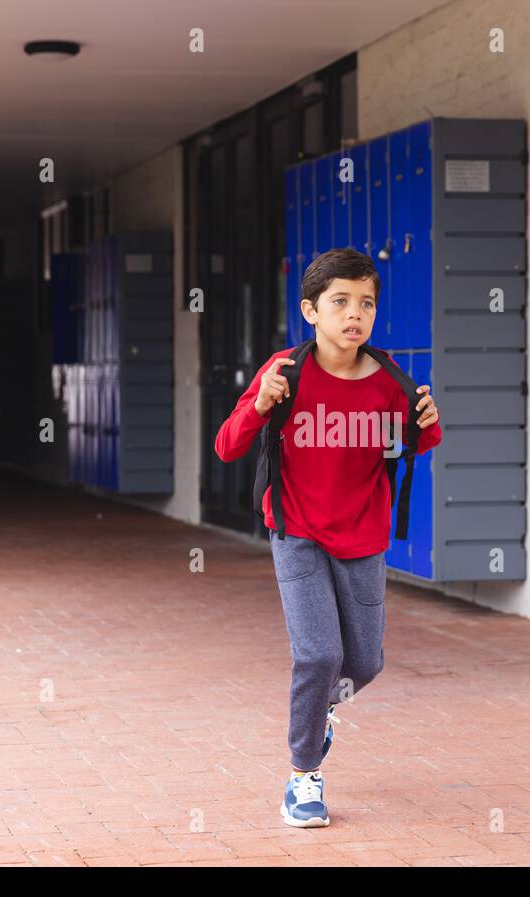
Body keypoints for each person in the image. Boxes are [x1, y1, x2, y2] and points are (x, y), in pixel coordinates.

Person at [213, 247, 442, 827]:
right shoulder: (285, 371)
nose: (355, 314)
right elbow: (227, 446)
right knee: (319, 655)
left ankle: (318, 716)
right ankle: (303, 776)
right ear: (310, 311)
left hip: (363, 535)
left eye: (366, 303)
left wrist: (427, 421)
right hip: (297, 530)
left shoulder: (390, 379)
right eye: (340, 302)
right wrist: (259, 404)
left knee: (363, 662)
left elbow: (418, 442)